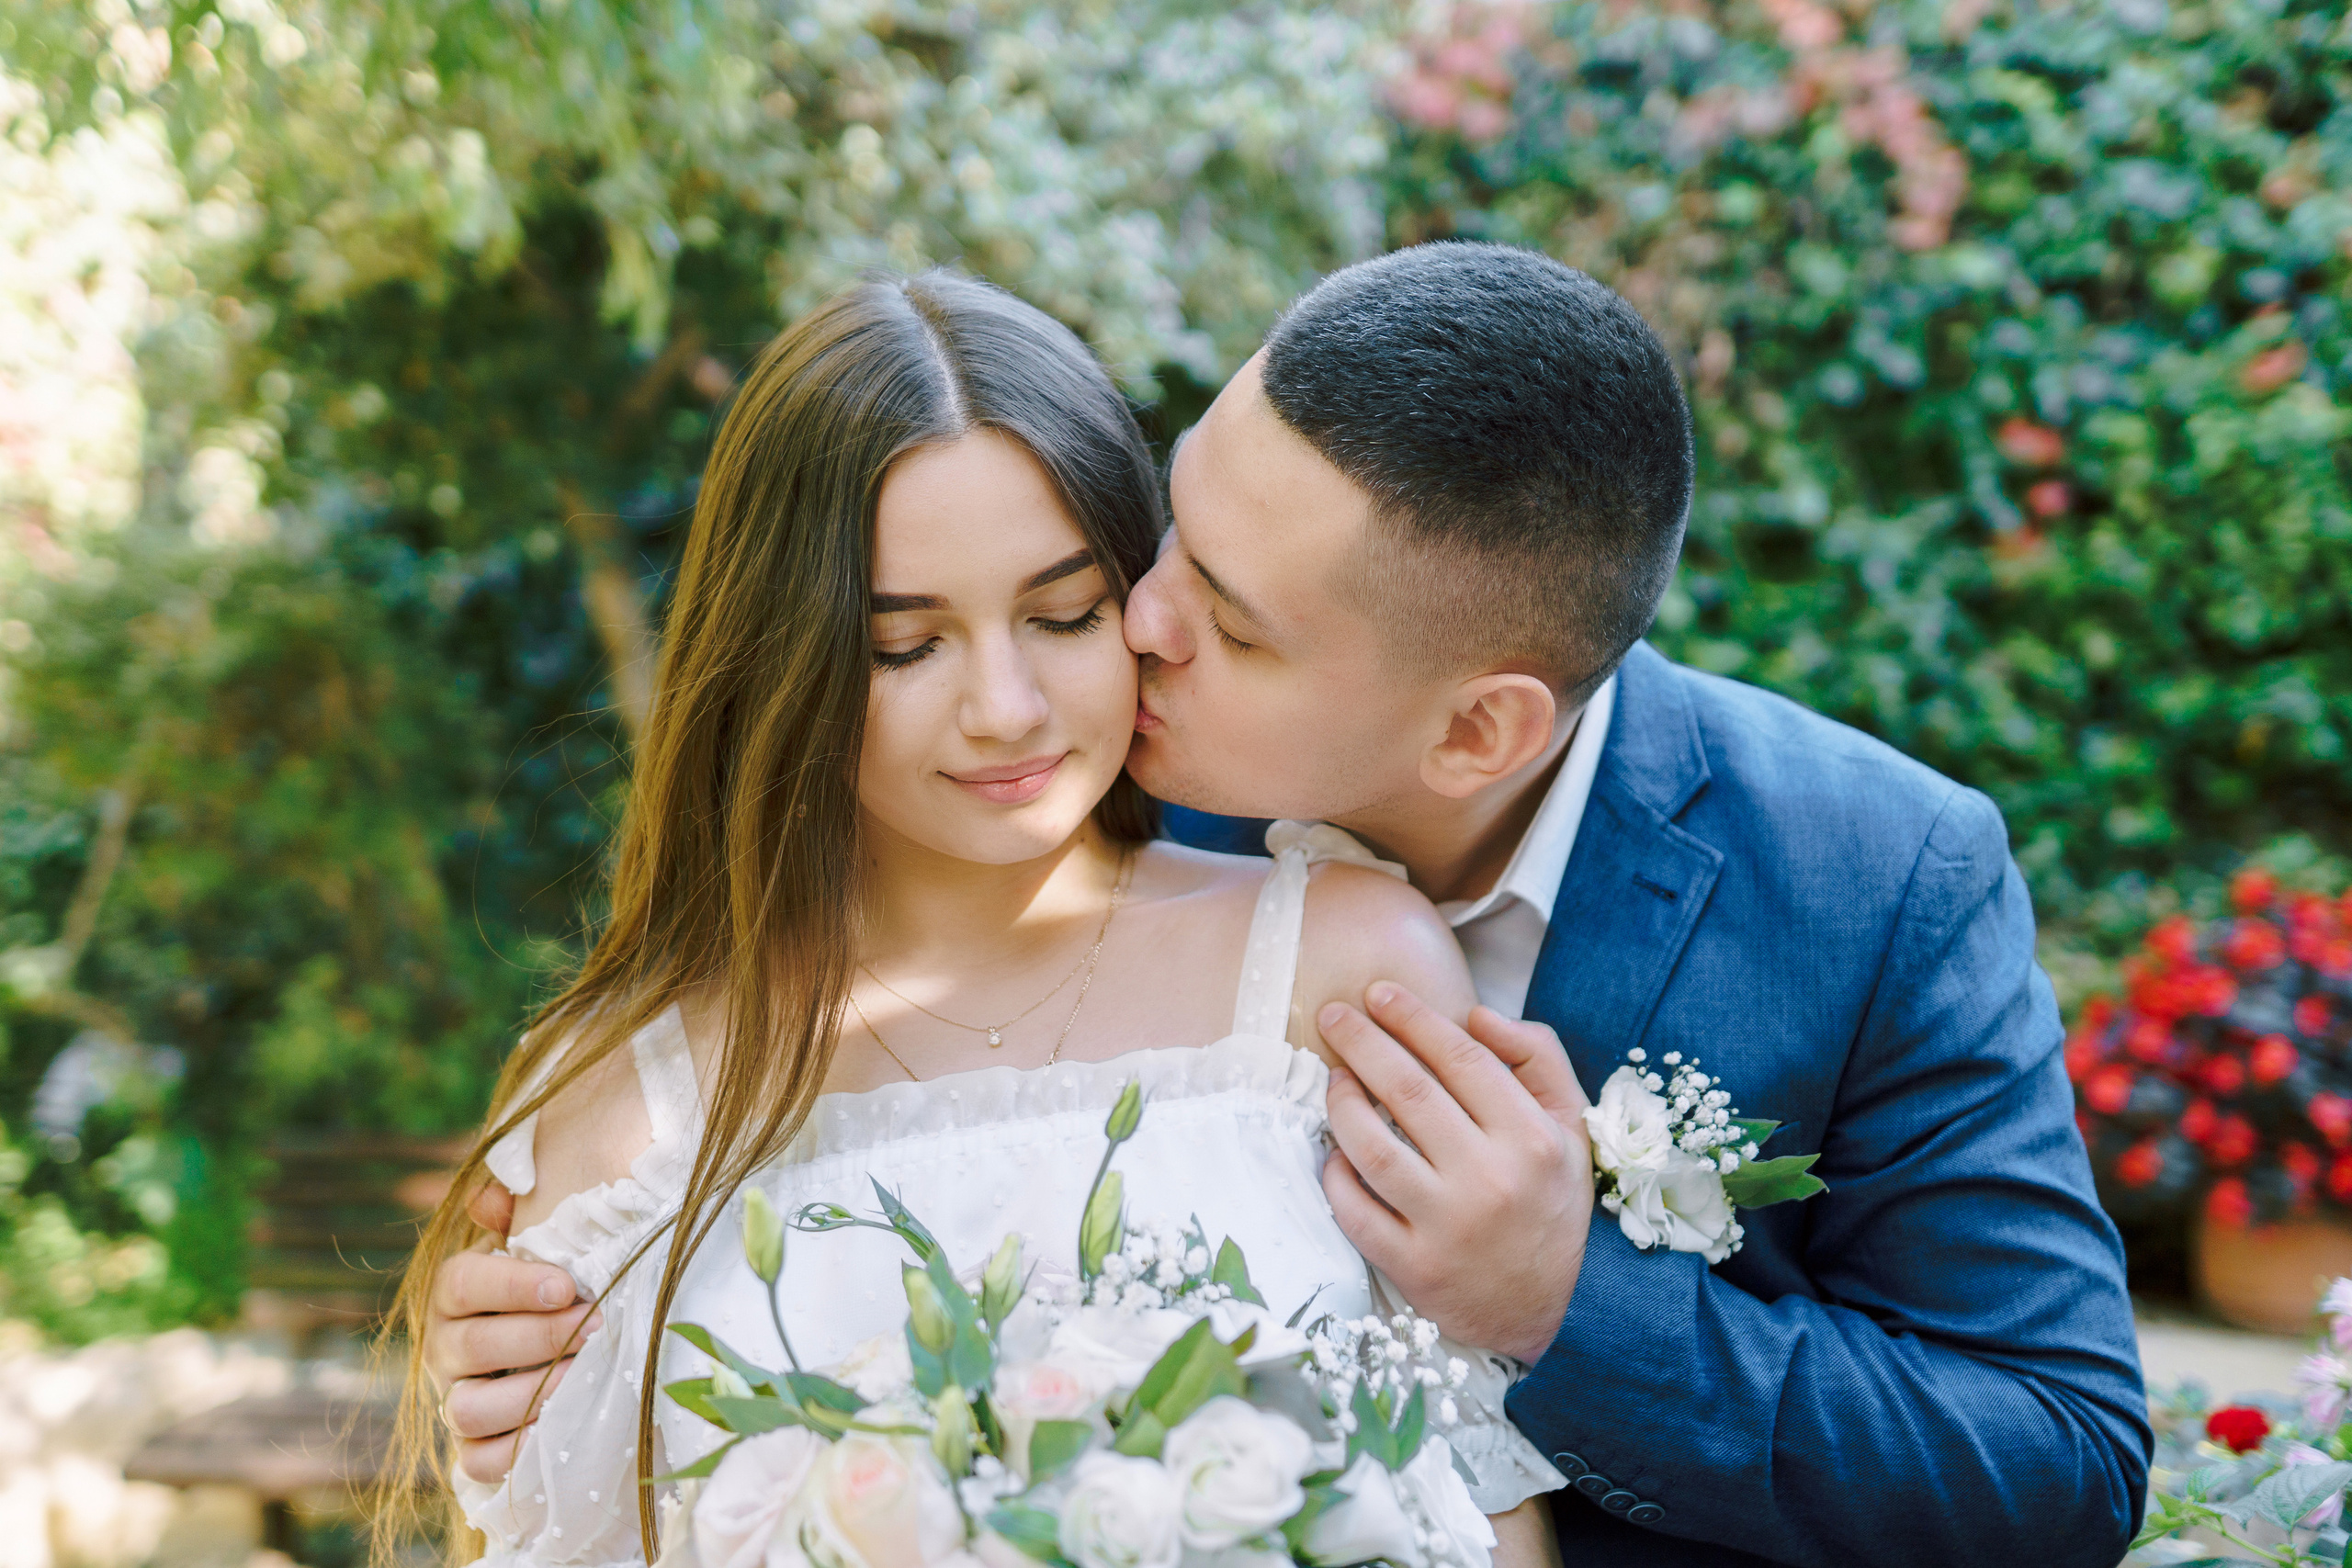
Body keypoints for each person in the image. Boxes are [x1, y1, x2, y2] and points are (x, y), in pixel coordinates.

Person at [423, 243, 2153, 1567]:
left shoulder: (1874, 877)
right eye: (1161, 533)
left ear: (1478, 731)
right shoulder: (1057, 766)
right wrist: (564, 1355)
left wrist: (1564, 1303)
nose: (1139, 627)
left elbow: (2061, 1458)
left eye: (1225, 622)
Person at [388, 267, 1574, 1567]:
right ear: (784, 656)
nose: (1006, 708)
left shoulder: (1339, 970)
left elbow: (1474, 1500)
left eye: (1064, 615)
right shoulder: (626, 1107)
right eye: (905, 646)